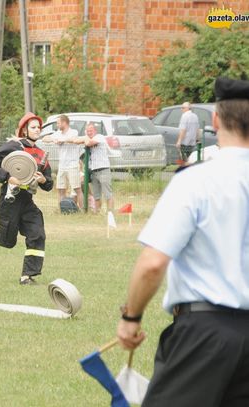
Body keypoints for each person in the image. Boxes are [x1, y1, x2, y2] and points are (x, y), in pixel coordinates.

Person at [116, 77, 249, 407]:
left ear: (215, 120)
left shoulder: (197, 180)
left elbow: (153, 263)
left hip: (205, 334)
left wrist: (131, 318)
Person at [0, 112, 53, 285]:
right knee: (7, 241)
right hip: (9, 201)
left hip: (28, 202)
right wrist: (8, 177)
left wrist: (44, 180)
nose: (37, 130)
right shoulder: (14, 146)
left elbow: (49, 184)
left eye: (38, 127)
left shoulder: (42, 154)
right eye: (33, 127)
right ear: (24, 130)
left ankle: (27, 276)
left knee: (37, 235)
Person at [43, 114, 83, 208]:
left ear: (64, 122)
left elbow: (73, 140)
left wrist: (62, 140)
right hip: (62, 165)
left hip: (72, 164)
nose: (57, 125)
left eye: (58, 123)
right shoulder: (58, 133)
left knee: (77, 189)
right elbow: (45, 138)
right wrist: (54, 139)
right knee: (61, 189)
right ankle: (62, 209)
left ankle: (82, 210)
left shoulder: (73, 132)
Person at [74, 123, 113, 213]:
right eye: (87, 131)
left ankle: (110, 213)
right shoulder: (87, 137)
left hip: (103, 169)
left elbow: (88, 143)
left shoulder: (99, 137)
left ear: (95, 131)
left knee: (108, 194)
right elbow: (75, 140)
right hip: (94, 171)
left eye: (91, 131)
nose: (89, 132)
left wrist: (84, 138)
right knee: (96, 195)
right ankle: (97, 213)